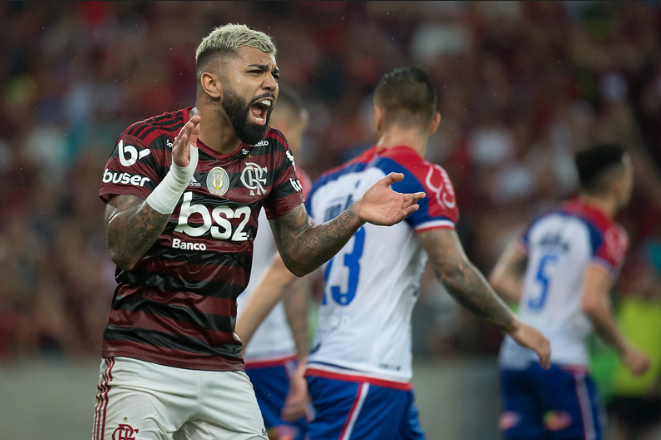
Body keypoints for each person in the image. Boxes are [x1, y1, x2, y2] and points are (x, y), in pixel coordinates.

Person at [94, 24, 426, 440]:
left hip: (223, 365)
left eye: (274, 75)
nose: (271, 84)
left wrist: (356, 214)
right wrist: (178, 178)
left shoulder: (271, 151)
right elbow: (122, 248)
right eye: (256, 72)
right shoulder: (147, 140)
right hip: (144, 364)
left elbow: (299, 254)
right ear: (211, 83)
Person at [236, 66, 551, 440]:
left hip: (373, 375)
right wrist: (515, 326)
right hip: (363, 374)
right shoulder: (423, 177)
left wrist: (232, 347)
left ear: (377, 116)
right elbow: (454, 272)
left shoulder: (327, 184)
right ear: (434, 121)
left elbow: (281, 274)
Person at [489, 143, 652, 440]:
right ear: (619, 185)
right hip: (560, 360)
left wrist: (546, 301)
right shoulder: (608, 233)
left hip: (514, 356)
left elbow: (499, 279)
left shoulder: (544, 219)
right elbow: (592, 302)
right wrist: (626, 350)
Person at [236, 87, 314, 440]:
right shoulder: (291, 179)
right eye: (298, 133)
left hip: (215, 337)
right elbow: (294, 272)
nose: (298, 144)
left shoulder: (216, 169)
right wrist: (303, 358)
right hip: (269, 344)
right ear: (282, 126)